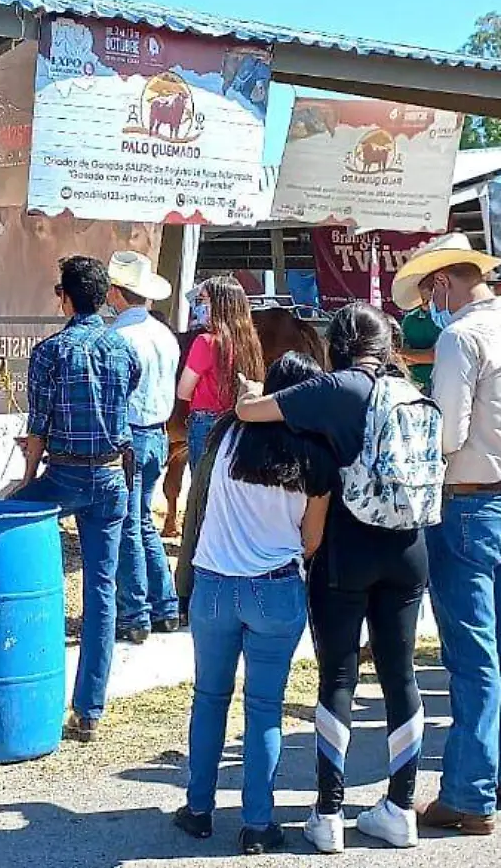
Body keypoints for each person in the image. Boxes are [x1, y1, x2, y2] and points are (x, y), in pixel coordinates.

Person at [234, 304, 432, 851]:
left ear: (337, 342)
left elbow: (252, 412)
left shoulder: (337, 388)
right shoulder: (407, 391)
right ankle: (400, 807)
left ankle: (329, 813)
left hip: (348, 550)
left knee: (339, 676)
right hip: (410, 547)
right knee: (401, 674)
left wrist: (249, 388)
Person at [393, 233, 501, 836]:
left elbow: (448, 434)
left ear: (440, 284)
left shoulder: (461, 337)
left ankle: (468, 792)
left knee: (473, 655)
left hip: (467, 503)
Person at [173, 352, 334, 856]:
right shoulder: (316, 454)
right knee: (264, 709)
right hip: (275, 586)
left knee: (209, 698)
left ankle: (198, 810)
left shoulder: (225, 434)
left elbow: (199, 502)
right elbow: (311, 541)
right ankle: (257, 824)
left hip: (214, 584)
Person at [19, 255, 141, 742]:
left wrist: (26, 480)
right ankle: (89, 709)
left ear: (65, 298)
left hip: (65, 473)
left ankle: (26, 660)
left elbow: (38, 428)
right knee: (101, 592)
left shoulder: (50, 352)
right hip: (111, 476)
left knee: (11, 537)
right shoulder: (123, 349)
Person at [105, 251, 182, 641]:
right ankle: (165, 605)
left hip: (131, 436)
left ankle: (135, 612)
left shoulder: (118, 338)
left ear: (116, 293)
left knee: (128, 524)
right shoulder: (163, 334)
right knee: (141, 521)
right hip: (158, 434)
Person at [177, 277, 263, 478]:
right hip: (239, 421)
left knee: (203, 486)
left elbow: (183, 391)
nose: (201, 307)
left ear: (219, 304)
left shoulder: (205, 342)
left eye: (205, 301)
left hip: (206, 424)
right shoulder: (250, 343)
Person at [398, 304, 438, 391]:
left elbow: (435, 355)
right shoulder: (409, 319)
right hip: (413, 384)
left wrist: (404, 353)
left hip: (439, 382)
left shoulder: (445, 319)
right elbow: (403, 359)